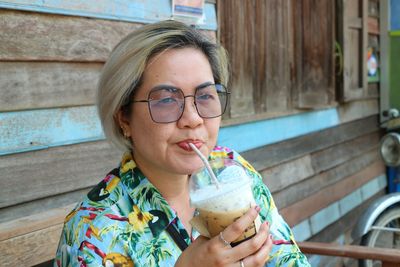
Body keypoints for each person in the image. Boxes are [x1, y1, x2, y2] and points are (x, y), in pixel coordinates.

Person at [54, 20, 310, 267]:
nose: (193, 119)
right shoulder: (93, 231)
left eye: (206, 96)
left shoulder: (232, 171)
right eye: (166, 100)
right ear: (124, 118)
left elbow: (287, 257)